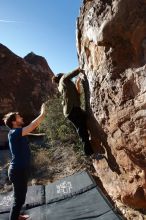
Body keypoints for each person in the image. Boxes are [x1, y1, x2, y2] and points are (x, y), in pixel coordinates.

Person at [3, 103, 46, 220]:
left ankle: (17, 216)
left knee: (21, 196)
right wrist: (43, 113)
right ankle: (14, 218)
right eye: (18, 117)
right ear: (13, 122)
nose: (21, 118)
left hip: (19, 170)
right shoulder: (14, 133)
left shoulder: (17, 133)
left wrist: (41, 135)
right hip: (17, 171)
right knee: (19, 199)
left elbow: (29, 132)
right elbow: (33, 125)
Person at [52, 67, 95, 157]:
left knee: (85, 121)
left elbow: (77, 93)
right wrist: (80, 68)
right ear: (62, 76)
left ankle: (90, 147)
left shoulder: (65, 85)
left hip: (72, 110)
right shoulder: (63, 80)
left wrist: (78, 83)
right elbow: (72, 73)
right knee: (82, 131)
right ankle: (90, 153)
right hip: (72, 110)